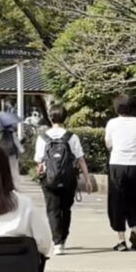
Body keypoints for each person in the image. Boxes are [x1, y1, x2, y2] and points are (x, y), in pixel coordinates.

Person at [34, 105, 91, 256]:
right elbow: (80, 160)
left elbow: (39, 162)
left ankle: (57, 242)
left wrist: (40, 172)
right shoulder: (72, 137)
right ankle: (63, 239)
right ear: (65, 118)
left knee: (53, 210)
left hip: (49, 179)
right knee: (66, 209)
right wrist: (87, 179)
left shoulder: (42, 138)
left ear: (50, 118)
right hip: (69, 179)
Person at [105, 94, 136, 251]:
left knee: (117, 201)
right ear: (133, 108)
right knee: (134, 200)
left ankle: (121, 240)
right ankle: (134, 231)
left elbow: (108, 144)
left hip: (117, 165)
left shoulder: (112, 123)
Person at [0, 125, 24, 189]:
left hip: (2, 154)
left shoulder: (0, 133)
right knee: (14, 171)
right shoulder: (12, 133)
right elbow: (17, 143)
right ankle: (15, 186)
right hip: (12, 154)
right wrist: (22, 150)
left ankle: (3, 185)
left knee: (3, 170)